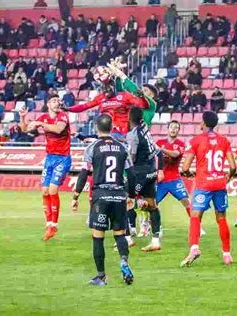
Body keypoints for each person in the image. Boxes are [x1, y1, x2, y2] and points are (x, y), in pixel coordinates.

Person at [72, 114, 135, 286]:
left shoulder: (93, 147)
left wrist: (76, 195)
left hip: (101, 196)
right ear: (112, 126)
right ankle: (124, 261)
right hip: (119, 195)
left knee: (97, 237)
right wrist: (131, 196)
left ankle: (101, 277)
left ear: (96, 128)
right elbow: (131, 174)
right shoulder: (122, 148)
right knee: (120, 234)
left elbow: (84, 173)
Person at [180, 111, 236, 267]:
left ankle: (194, 248)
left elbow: (185, 167)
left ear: (203, 123)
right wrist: (228, 177)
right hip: (219, 183)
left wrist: (189, 173)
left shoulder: (196, 140)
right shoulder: (224, 140)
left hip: (203, 183)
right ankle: (227, 254)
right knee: (221, 218)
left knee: (195, 216)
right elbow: (233, 166)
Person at [19, 94, 72, 241]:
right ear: (48, 104)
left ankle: (54, 225)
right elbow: (24, 130)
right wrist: (23, 118)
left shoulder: (63, 116)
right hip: (49, 158)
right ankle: (48, 223)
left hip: (63, 158)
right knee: (44, 191)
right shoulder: (43, 117)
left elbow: (58, 130)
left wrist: (40, 124)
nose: (56, 103)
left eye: (57, 101)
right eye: (53, 101)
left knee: (53, 190)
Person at [66, 69, 149, 138]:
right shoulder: (100, 97)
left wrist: (142, 97)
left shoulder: (125, 96)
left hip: (123, 134)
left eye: (108, 88)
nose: (106, 91)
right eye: (103, 88)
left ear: (113, 86)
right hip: (107, 133)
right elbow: (84, 106)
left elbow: (145, 106)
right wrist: (68, 109)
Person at [126, 107, 164, 252]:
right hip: (151, 172)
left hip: (139, 173)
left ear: (129, 118)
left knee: (125, 202)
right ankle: (155, 241)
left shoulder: (133, 134)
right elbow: (158, 152)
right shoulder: (145, 129)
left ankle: (128, 239)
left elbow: (132, 157)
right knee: (152, 205)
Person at [155, 121, 194, 225]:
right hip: (160, 179)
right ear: (167, 129)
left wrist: (161, 150)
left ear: (178, 131)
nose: (173, 129)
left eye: (176, 127)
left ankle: (197, 226)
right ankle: (153, 227)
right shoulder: (159, 142)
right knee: (152, 204)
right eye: (171, 127)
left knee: (186, 201)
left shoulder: (180, 144)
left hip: (174, 179)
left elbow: (175, 154)